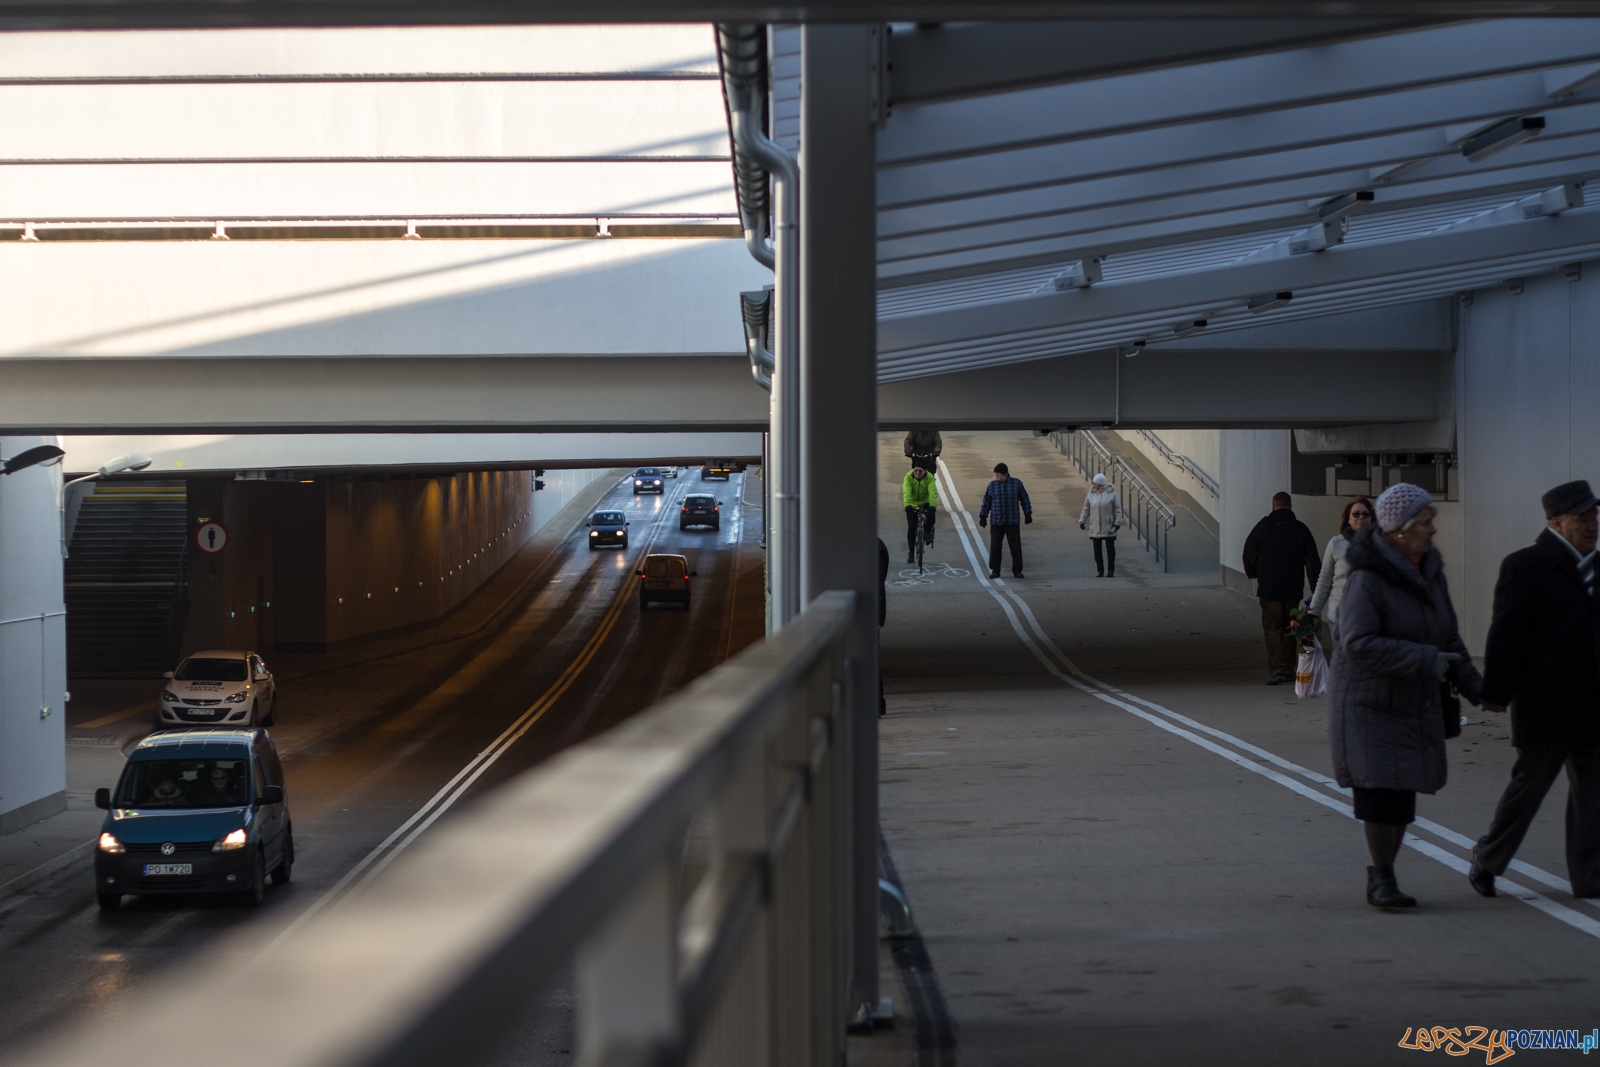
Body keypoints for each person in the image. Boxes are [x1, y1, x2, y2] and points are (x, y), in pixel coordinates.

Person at [1329, 483, 1484, 910]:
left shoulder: (1430, 571)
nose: (1433, 530)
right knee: (1382, 793)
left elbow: (1449, 635)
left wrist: (1477, 688)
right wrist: (1422, 658)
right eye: (1426, 522)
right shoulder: (1367, 579)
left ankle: (1384, 874)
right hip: (1369, 703)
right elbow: (1356, 643)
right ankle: (1383, 878)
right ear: (1399, 530)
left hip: (1411, 701)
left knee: (1402, 794)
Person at [1469, 479, 1600, 898]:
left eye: (1595, 516)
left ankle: (1589, 876)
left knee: (1593, 797)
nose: (1592, 525)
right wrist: (1495, 691)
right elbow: (1507, 635)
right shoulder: (1525, 566)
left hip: (1592, 704)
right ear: (1557, 523)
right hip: (1546, 704)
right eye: (1583, 518)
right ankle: (1488, 857)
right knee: (1529, 789)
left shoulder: (1597, 567)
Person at [1243, 491, 1321, 685]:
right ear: (1290, 506)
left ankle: (1276, 669)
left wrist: (1252, 572)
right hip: (1292, 588)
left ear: (1273, 505)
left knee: (1272, 628)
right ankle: (1288, 669)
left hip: (1269, 588)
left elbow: (1248, 553)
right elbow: (1312, 560)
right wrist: (1315, 587)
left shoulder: (1263, 527)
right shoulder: (1300, 529)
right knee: (1290, 627)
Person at [1307, 496, 1376, 650]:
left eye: (1366, 514)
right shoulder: (1336, 544)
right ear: (1348, 518)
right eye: (1356, 514)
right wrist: (1313, 611)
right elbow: (1324, 580)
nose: (1361, 518)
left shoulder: (1381, 544)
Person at [977, 462, 1032, 579]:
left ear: (1005, 474)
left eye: (998, 473)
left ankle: (1017, 570)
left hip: (1012, 521)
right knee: (995, 547)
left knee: (1015, 547)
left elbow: (1025, 499)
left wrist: (1028, 513)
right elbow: (986, 502)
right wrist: (983, 516)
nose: (996, 475)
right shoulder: (992, 486)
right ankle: (995, 570)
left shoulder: (1017, 484)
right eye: (995, 473)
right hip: (997, 522)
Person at [1078, 472, 1124, 578]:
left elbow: (1117, 509)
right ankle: (1100, 570)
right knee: (1097, 550)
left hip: (1108, 525)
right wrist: (1082, 520)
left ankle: (1111, 570)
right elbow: (1086, 508)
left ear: (1101, 484)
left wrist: (1117, 523)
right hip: (1095, 525)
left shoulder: (1111, 493)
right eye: (1094, 483)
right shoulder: (1091, 494)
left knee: (1110, 549)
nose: (1094, 485)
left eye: (1096, 483)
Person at [902, 461, 938, 564]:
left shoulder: (929, 478)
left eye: (920, 471)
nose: (917, 473)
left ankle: (927, 531)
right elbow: (906, 492)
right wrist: (907, 505)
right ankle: (911, 553)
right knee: (911, 528)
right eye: (916, 470)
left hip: (925, 502)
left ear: (924, 471)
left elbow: (932, 492)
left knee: (931, 518)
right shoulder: (908, 477)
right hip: (912, 504)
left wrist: (932, 506)